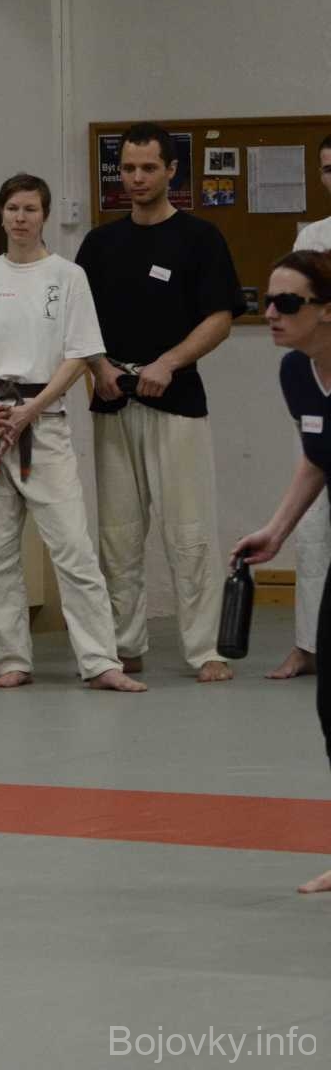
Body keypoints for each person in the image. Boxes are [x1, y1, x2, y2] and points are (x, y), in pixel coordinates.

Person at [0, 174, 143, 691]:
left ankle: (100, 661)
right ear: (1, 214)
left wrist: (31, 409)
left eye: (30, 209)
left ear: (45, 215)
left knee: (73, 547)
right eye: (12, 208)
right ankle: (10, 658)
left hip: (44, 420)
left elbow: (79, 356)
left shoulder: (68, 276)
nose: (20, 218)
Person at [80, 122, 243, 684]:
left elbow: (220, 317)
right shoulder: (99, 245)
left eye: (148, 168)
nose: (137, 178)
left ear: (172, 171)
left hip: (177, 402)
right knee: (119, 533)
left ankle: (205, 649)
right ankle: (124, 644)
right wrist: (98, 366)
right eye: (128, 168)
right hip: (113, 400)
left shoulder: (200, 239)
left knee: (189, 531)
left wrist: (169, 362)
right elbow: (77, 322)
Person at [230, 249, 331, 894]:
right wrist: (277, 529)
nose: (270, 313)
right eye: (266, 300)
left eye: (287, 303)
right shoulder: (297, 372)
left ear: (327, 310)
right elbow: (317, 456)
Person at [269, 133, 331, 682]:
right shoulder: (314, 237)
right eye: (328, 169)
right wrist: (275, 529)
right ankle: (308, 645)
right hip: (320, 385)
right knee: (313, 529)